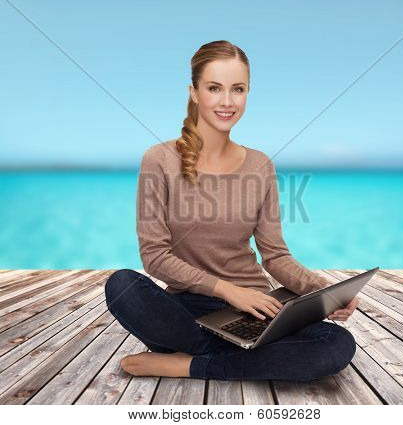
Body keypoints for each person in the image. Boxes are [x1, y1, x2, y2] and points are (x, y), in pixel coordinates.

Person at [104, 40, 358, 381]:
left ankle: (193, 363)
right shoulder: (159, 159)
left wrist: (322, 289)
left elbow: (275, 256)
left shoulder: (260, 165)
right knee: (121, 285)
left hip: (258, 306)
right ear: (194, 92)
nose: (227, 101)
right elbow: (154, 257)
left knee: (337, 344)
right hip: (188, 307)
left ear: (247, 93)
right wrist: (226, 290)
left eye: (237, 89)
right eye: (214, 88)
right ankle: (247, 359)